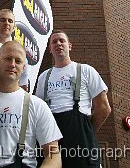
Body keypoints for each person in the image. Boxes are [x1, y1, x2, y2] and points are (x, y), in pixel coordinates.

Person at [35, 30, 111, 167]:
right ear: (50, 49)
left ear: (69, 46)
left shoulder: (86, 70)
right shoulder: (43, 77)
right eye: (54, 42)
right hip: (51, 134)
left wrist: (87, 132)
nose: (58, 44)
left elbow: (104, 108)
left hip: (80, 133)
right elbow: (39, 110)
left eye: (62, 41)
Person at [0, 40, 62, 168]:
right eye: (8, 59)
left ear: (23, 67)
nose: (12, 64)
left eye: (18, 61)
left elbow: (54, 155)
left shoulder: (37, 105)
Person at [0, 9, 29, 90]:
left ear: (14, 28)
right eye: (3, 20)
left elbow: (23, 84)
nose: (6, 23)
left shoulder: (20, 52)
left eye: (10, 21)